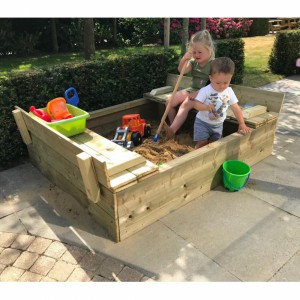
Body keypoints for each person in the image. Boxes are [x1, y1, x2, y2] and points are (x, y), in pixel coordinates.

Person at [164, 29, 215, 139]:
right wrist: (184, 59)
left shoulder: (213, 65)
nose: (196, 55)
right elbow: (181, 70)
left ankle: (172, 129)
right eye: (194, 52)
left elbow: (214, 85)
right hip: (192, 90)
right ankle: (174, 128)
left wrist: (198, 93)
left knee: (186, 104)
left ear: (209, 50)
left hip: (205, 94)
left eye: (200, 52)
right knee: (169, 100)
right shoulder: (193, 63)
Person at [192, 57, 250, 149]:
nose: (222, 86)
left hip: (218, 124)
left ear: (230, 78)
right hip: (202, 122)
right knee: (202, 142)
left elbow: (236, 108)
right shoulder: (205, 90)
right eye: (218, 83)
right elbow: (196, 104)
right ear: (211, 78)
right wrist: (206, 107)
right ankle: (195, 154)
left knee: (216, 144)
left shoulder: (229, 91)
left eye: (226, 82)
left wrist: (242, 123)